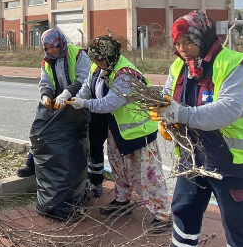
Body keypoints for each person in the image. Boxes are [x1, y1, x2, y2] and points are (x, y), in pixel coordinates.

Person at [157, 11, 243, 247]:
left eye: (188, 42)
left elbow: (227, 109)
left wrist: (180, 113)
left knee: (238, 227)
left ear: (203, 38)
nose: (183, 50)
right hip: (192, 157)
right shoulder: (179, 66)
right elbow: (167, 95)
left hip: (231, 161)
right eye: (178, 44)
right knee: (183, 212)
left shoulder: (234, 65)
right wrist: (162, 113)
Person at [68, 36, 172, 234]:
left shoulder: (126, 74)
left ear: (110, 54)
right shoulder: (99, 68)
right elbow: (87, 87)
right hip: (117, 130)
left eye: (100, 59)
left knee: (149, 174)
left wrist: (85, 104)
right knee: (119, 168)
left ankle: (162, 215)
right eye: (94, 60)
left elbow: (110, 103)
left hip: (138, 132)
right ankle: (123, 199)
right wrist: (77, 97)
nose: (96, 63)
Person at [17, 30, 94, 186]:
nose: (51, 50)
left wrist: (68, 93)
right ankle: (32, 164)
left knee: (80, 139)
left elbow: (84, 78)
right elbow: (46, 83)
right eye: (47, 48)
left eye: (54, 46)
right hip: (58, 103)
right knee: (42, 131)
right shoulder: (47, 61)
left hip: (79, 102)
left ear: (61, 43)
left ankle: (86, 177)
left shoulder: (78, 54)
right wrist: (46, 95)